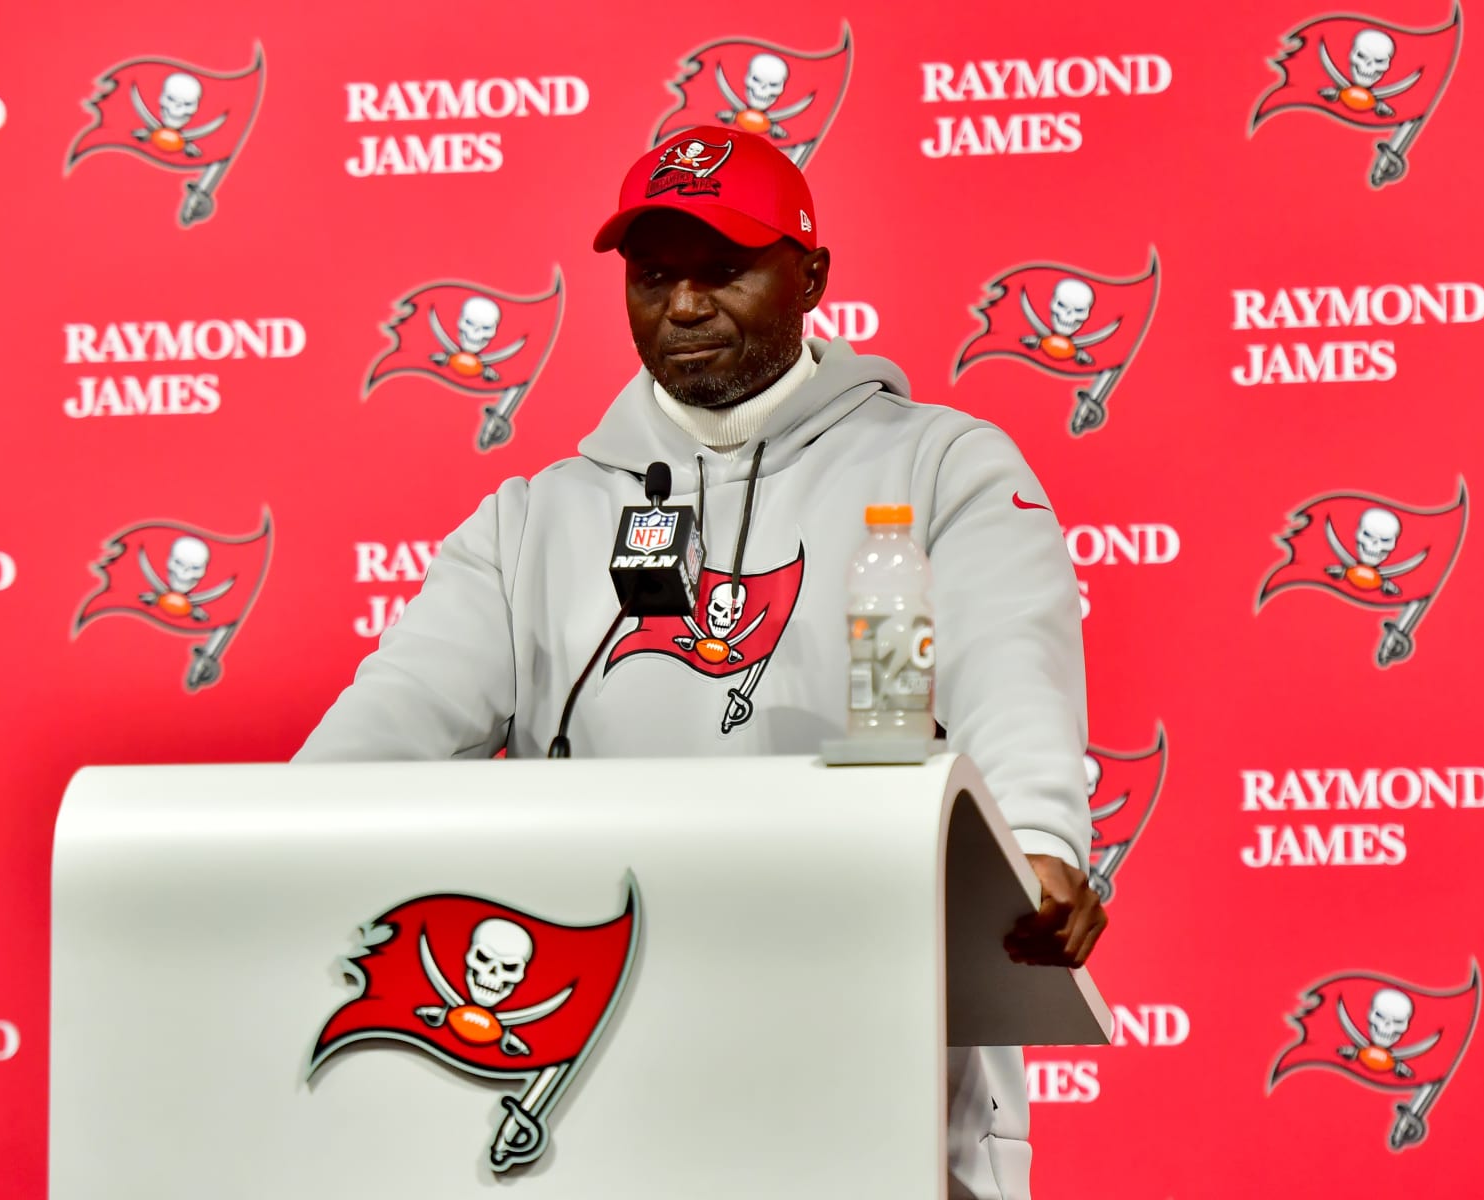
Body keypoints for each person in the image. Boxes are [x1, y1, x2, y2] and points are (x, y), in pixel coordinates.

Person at [296, 124, 1106, 1198]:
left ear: (811, 276)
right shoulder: (534, 520)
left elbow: (1011, 670)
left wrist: (1040, 840)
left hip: (875, 1056)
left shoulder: (940, 465)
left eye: (723, 271)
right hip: (608, 1082)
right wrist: (272, 852)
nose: (683, 306)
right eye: (653, 276)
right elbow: (380, 729)